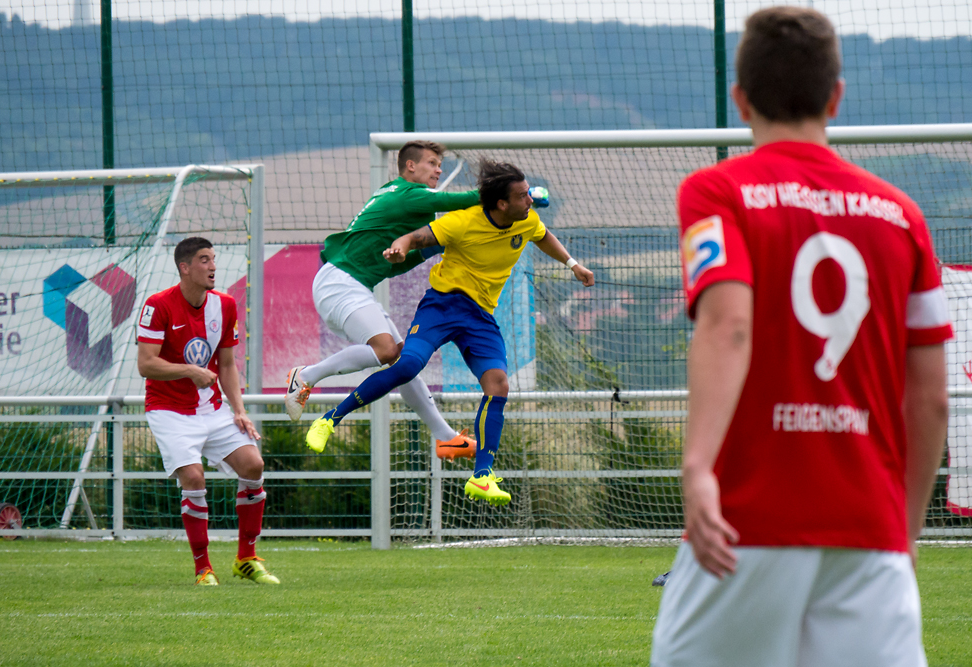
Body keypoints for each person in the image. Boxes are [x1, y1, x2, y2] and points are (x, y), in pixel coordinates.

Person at [650, 8, 952, 667]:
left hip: (746, 520)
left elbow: (729, 324)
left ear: (741, 100)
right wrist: (902, 529)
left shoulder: (716, 190)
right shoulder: (903, 217)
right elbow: (931, 399)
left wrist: (698, 466)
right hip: (869, 529)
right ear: (836, 96)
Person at [304, 159, 594, 505]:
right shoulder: (463, 221)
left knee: (499, 384)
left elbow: (542, 236)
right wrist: (401, 246)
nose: (529, 200)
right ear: (501, 204)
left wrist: (573, 265)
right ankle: (329, 419)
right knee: (407, 364)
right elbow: (417, 236)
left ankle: (482, 476)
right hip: (442, 306)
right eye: (522, 196)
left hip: (480, 316)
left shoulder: (526, 217)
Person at [284, 140, 482, 460]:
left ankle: (445, 437)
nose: (439, 169)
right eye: (432, 163)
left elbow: (397, 263)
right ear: (411, 166)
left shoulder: (399, 195)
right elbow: (465, 200)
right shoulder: (409, 194)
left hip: (345, 283)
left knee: (402, 360)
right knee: (387, 349)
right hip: (341, 282)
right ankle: (306, 376)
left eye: (439, 164)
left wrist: (429, 247)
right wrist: (509, 194)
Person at [137, 237, 279, 586]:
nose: (213, 266)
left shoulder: (226, 305)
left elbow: (227, 364)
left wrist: (239, 410)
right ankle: (203, 568)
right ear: (184, 268)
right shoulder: (158, 306)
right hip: (169, 411)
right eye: (204, 260)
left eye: (213, 259)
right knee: (195, 478)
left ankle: (246, 558)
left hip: (212, 409)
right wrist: (189, 370)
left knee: (253, 465)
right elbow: (146, 365)